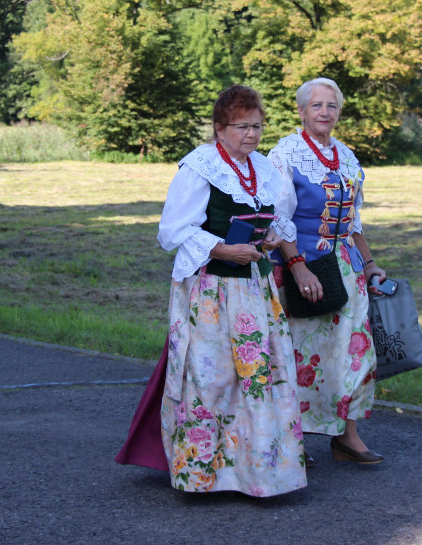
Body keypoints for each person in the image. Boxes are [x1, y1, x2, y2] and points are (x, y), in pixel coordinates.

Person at [130, 84, 306, 496]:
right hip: (211, 292)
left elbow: (277, 220)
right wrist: (223, 248)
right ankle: (205, 476)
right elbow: (172, 230)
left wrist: (271, 239)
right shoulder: (201, 167)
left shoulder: (263, 169)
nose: (251, 134)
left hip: (255, 290)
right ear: (219, 128)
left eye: (257, 126)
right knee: (213, 378)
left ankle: (260, 473)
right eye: (241, 126)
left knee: (260, 377)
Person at [268, 77, 387, 465]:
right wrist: (298, 268)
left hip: (347, 268)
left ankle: (346, 437)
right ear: (301, 110)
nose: (324, 112)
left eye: (331, 105)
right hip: (304, 268)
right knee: (301, 355)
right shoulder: (285, 154)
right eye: (316, 105)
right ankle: (292, 442)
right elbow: (277, 219)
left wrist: (370, 264)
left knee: (355, 353)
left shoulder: (346, 156)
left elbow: (353, 219)